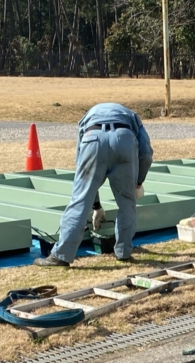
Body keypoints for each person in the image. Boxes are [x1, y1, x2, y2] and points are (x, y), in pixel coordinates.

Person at [35, 103, 154, 266]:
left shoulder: (88, 117)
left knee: (79, 201)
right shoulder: (132, 116)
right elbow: (146, 153)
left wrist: (95, 205)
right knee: (127, 204)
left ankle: (61, 256)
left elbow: (81, 165)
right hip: (125, 139)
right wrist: (138, 182)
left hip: (92, 139)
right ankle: (124, 253)